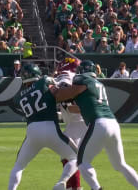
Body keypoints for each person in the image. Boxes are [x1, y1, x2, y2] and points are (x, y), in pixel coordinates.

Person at [53, 60, 138, 190]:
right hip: (113, 124)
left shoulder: (82, 80)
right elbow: (83, 106)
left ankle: (97, 188)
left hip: (98, 124)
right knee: (120, 164)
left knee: (81, 162)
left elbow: (61, 96)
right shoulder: (99, 84)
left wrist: (51, 89)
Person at [8, 64, 78, 190]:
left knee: (18, 166)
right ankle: (61, 183)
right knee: (76, 157)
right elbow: (56, 91)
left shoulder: (19, 97)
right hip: (50, 127)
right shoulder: (44, 81)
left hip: (32, 130)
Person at [54, 57, 86, 190]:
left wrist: (66, 106)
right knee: (68, 156)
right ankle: (73, 187)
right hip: (75, 122)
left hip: (78, 122)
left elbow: (73, 106)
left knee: (71, 157)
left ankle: (66, 184)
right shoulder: (73, 79)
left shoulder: (68, 80)